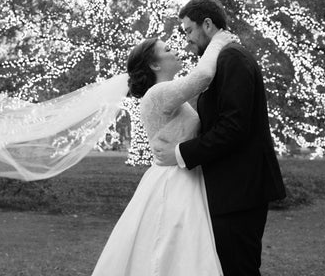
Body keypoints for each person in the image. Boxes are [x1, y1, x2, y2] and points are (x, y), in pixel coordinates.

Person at [153, 0, 286, 276]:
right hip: (230, 187)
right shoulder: (221, 60)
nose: (187, 39)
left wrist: (180, 153)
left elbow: (233, 127)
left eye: (189, 30)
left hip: (240, 188)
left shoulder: (233, 59)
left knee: (239, 268)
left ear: (208, 24)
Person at [91, 29, 236, 275]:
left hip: (184, 175)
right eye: (167, 49)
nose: (176, 50)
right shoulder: (158, 94)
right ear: (154, 64)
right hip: (173, 182)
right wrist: (219, 41)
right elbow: (203, 76)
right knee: (173, 248)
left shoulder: (168, 93)